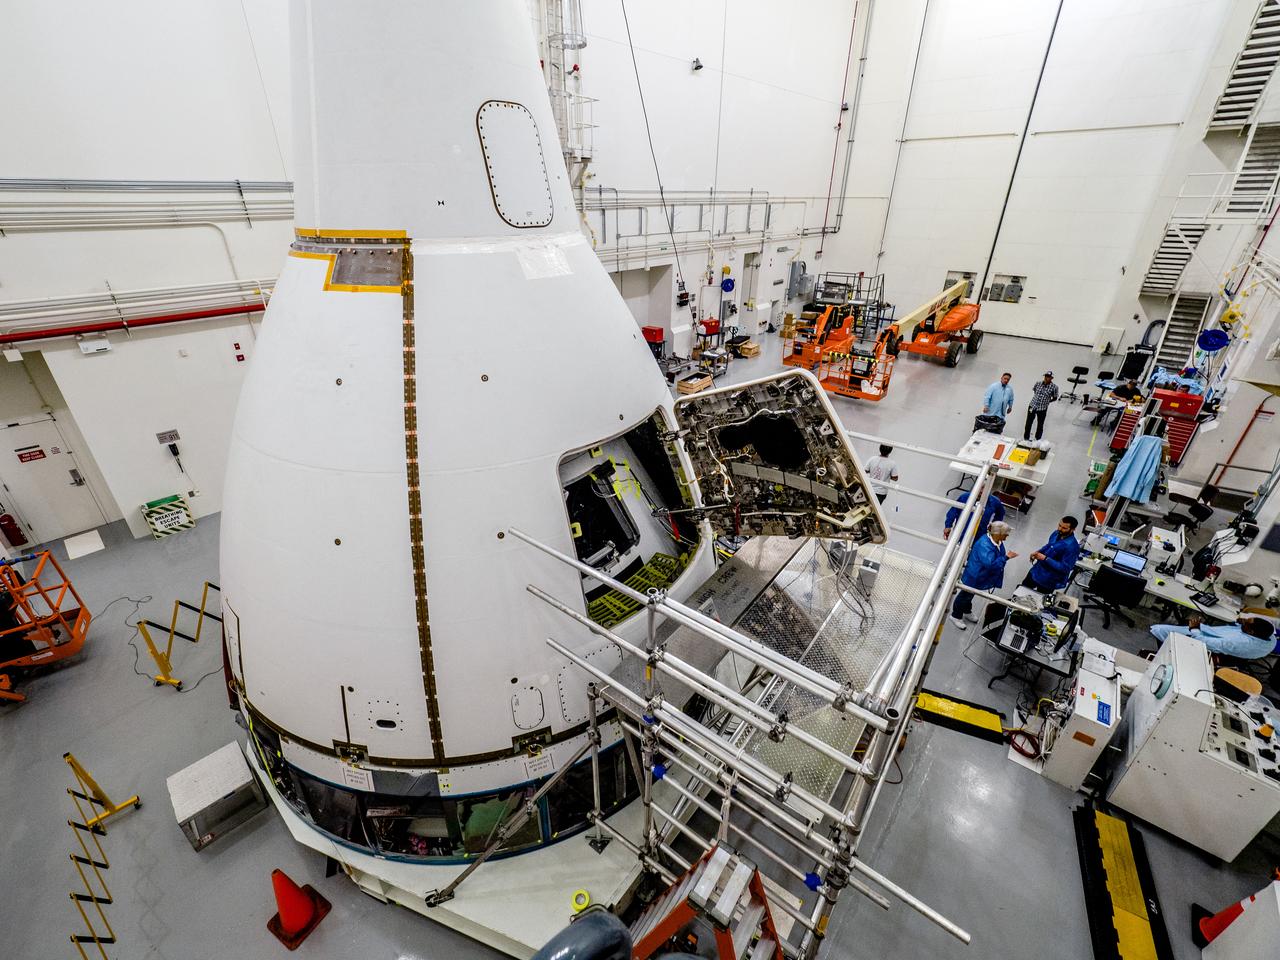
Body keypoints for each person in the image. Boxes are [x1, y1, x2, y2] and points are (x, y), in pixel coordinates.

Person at [950, 521, 1018, 628]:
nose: (1007, 535)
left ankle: (967, 611)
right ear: (998, 533)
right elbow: (990, 564)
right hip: (974, 576)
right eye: (1006, 533)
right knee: (965, 596)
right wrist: (1006, 558)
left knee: (970, 595)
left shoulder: (997, 541)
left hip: (981, 576)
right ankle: (956, 615)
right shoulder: (985, 545)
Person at [1149, 616, 1277, 660]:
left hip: (1206, 643)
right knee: (1184, 622)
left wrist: (1195, 629)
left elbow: (1205, 643)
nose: (1243, 623)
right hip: (1216, 635)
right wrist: (1241, 622)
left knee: (1160, 630)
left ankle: (1165, 653)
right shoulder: (1270, 637)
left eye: (1246, 624)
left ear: (1252, 632)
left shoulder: (1239, 642)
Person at [1021, 516, 1080, 593]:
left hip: (1049, 579)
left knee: (1040, 600)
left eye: (1064, 528)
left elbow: (1065, 568)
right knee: (1023, 590)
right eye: (1059, 525)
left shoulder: (1072, 547)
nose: (1059, 529)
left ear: (1073, 529)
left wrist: (1045, 559)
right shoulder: (1056, 533)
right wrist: (1038, 552)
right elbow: (1049, 545)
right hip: (1037, 571)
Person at [1023, 371, 1059, 441]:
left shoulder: (1054, 387)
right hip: (1032, 406)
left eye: (1048, 377)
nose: (1046, 378)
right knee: (1028, 423)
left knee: (1040, 425)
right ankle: (1026, 438)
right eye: (1046, 376)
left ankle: (1037, 439)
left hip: (1042, 408)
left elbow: (1055, 397)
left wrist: (1047, 401)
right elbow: (1035, 391)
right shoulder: (1038, 383)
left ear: (1052, 378)